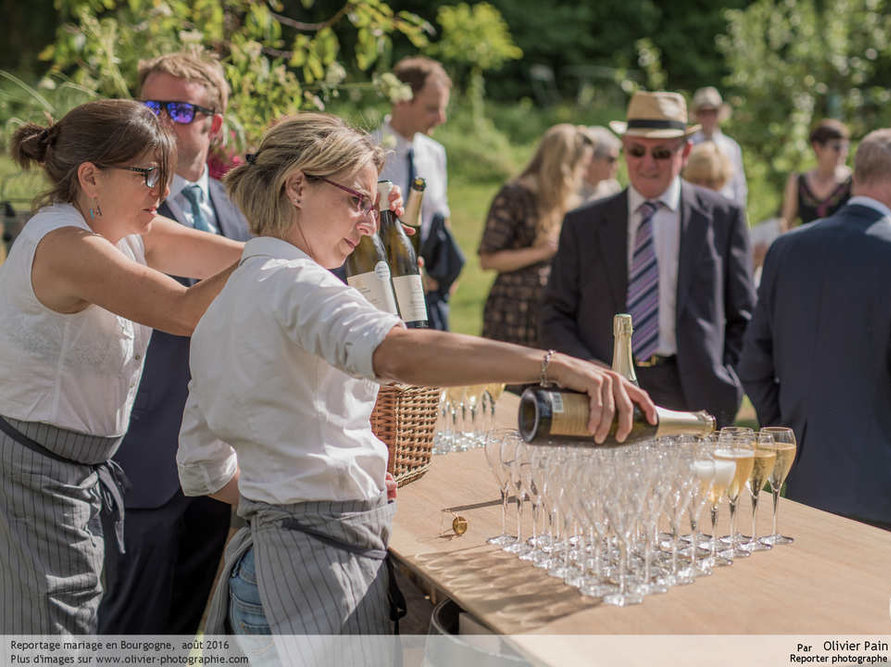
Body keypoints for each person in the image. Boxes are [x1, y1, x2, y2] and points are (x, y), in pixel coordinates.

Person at [173, 113, 652, 662]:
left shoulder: (226, 301)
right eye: (357, 201)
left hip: (260, 570)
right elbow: (402, 353)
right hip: (312, 578)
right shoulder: (299, 287)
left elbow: (202, 469)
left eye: (374, 207)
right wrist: (555, 366)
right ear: (298, 187)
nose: (366, 224)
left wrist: (310, 490)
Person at [0, 99, 243, 635]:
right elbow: (181, 311)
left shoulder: (126, 232)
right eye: (147, 174)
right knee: (50, 640)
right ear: (91, 177)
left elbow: (236, 258)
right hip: (35, 474)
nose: (163, 190)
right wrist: (273, 256)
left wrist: (311, 239)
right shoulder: (66, 244)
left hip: (78, 470)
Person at [738, 128, 891, 545]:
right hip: (884, 487)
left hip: (804, 481)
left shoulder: (787, 248)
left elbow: (752, 364)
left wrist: (788, 428)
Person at [98, 50, 253, 635]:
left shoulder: (241, 214)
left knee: (185, 628)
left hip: (220, 467)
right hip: (140, 460)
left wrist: (372, 215)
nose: (160, 119)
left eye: (179, 109)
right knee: (125, 636)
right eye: (150, 105)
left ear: (214, 122)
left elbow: (300, 278)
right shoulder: (113, 209)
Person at [541, 91, 755, 427]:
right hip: (604, 392)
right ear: (624, 149)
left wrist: (728, 380)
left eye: (661, 153)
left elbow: (744, 315)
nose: (648, 163)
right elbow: (554, 314)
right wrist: (586, 370)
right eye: (637, 151)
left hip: (696, 392)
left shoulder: (721, 217)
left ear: (684, 152)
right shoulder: (584, 224)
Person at [479, 124, 593, 349]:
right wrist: (540, 252)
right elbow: (488, 259)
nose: (584, 173)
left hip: (551, 310)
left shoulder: (562, 200)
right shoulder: (514, 196)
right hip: (514, 313)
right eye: (581, 166)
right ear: (565, 165)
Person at [370, 56, 457, 331]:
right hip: (379, 284)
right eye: (432, 108)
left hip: (426, 287)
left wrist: (443, 274)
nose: (441, 118)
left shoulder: (435, 154)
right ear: (401, 100)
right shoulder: (367, 150)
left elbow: (441, 216)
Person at [779, 119, 852, 231]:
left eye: (846, 147)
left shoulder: (852, 180)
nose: (843, 153)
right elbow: (787, 223)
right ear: (817, 147)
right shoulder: (798, 181)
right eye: (836, 147)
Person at [689, 86, 747, 207]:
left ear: (718, 114)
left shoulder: (731, 147)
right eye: (703, 112)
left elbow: (739, 185)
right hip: (696, 206)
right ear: (697, 115)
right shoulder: (688, 145)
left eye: (712, 112)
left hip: (726, 207)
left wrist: (739, 215)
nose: (708, 117)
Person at [579, 125, 622, 203]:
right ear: (590, 159)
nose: (616, 166)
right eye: (611, 160)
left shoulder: (613, 188)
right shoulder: (571, 193)